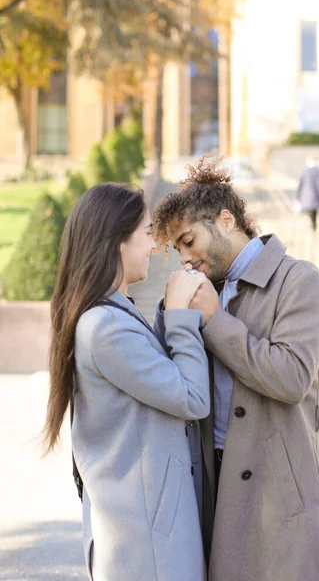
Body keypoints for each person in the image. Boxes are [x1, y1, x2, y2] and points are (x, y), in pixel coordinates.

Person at [152, 155, 319, 581]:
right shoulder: (203, 290)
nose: (184, 259)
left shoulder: (299, 281)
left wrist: (215, 320)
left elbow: (292, 376)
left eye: (189, 241)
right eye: (177, 250)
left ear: (226, 220)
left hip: (281, 492)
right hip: (216, 486)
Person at [43, 183, 210, 581]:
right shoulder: (105, 326)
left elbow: (150, 369)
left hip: (146, 531)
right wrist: (182, 317)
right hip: (146, 544)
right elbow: (191, 397)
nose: (155, 246)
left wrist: (169, 311)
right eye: (148, 233)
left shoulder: (114, 314)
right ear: (118, 241)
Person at [296, 156, 319, 230]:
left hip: (305, 198)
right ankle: (313, 231)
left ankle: (308, 231)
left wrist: (298, 198)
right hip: (315, 198)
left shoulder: (303, 171)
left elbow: (300, 185)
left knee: (306, 216)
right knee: (314, 218)